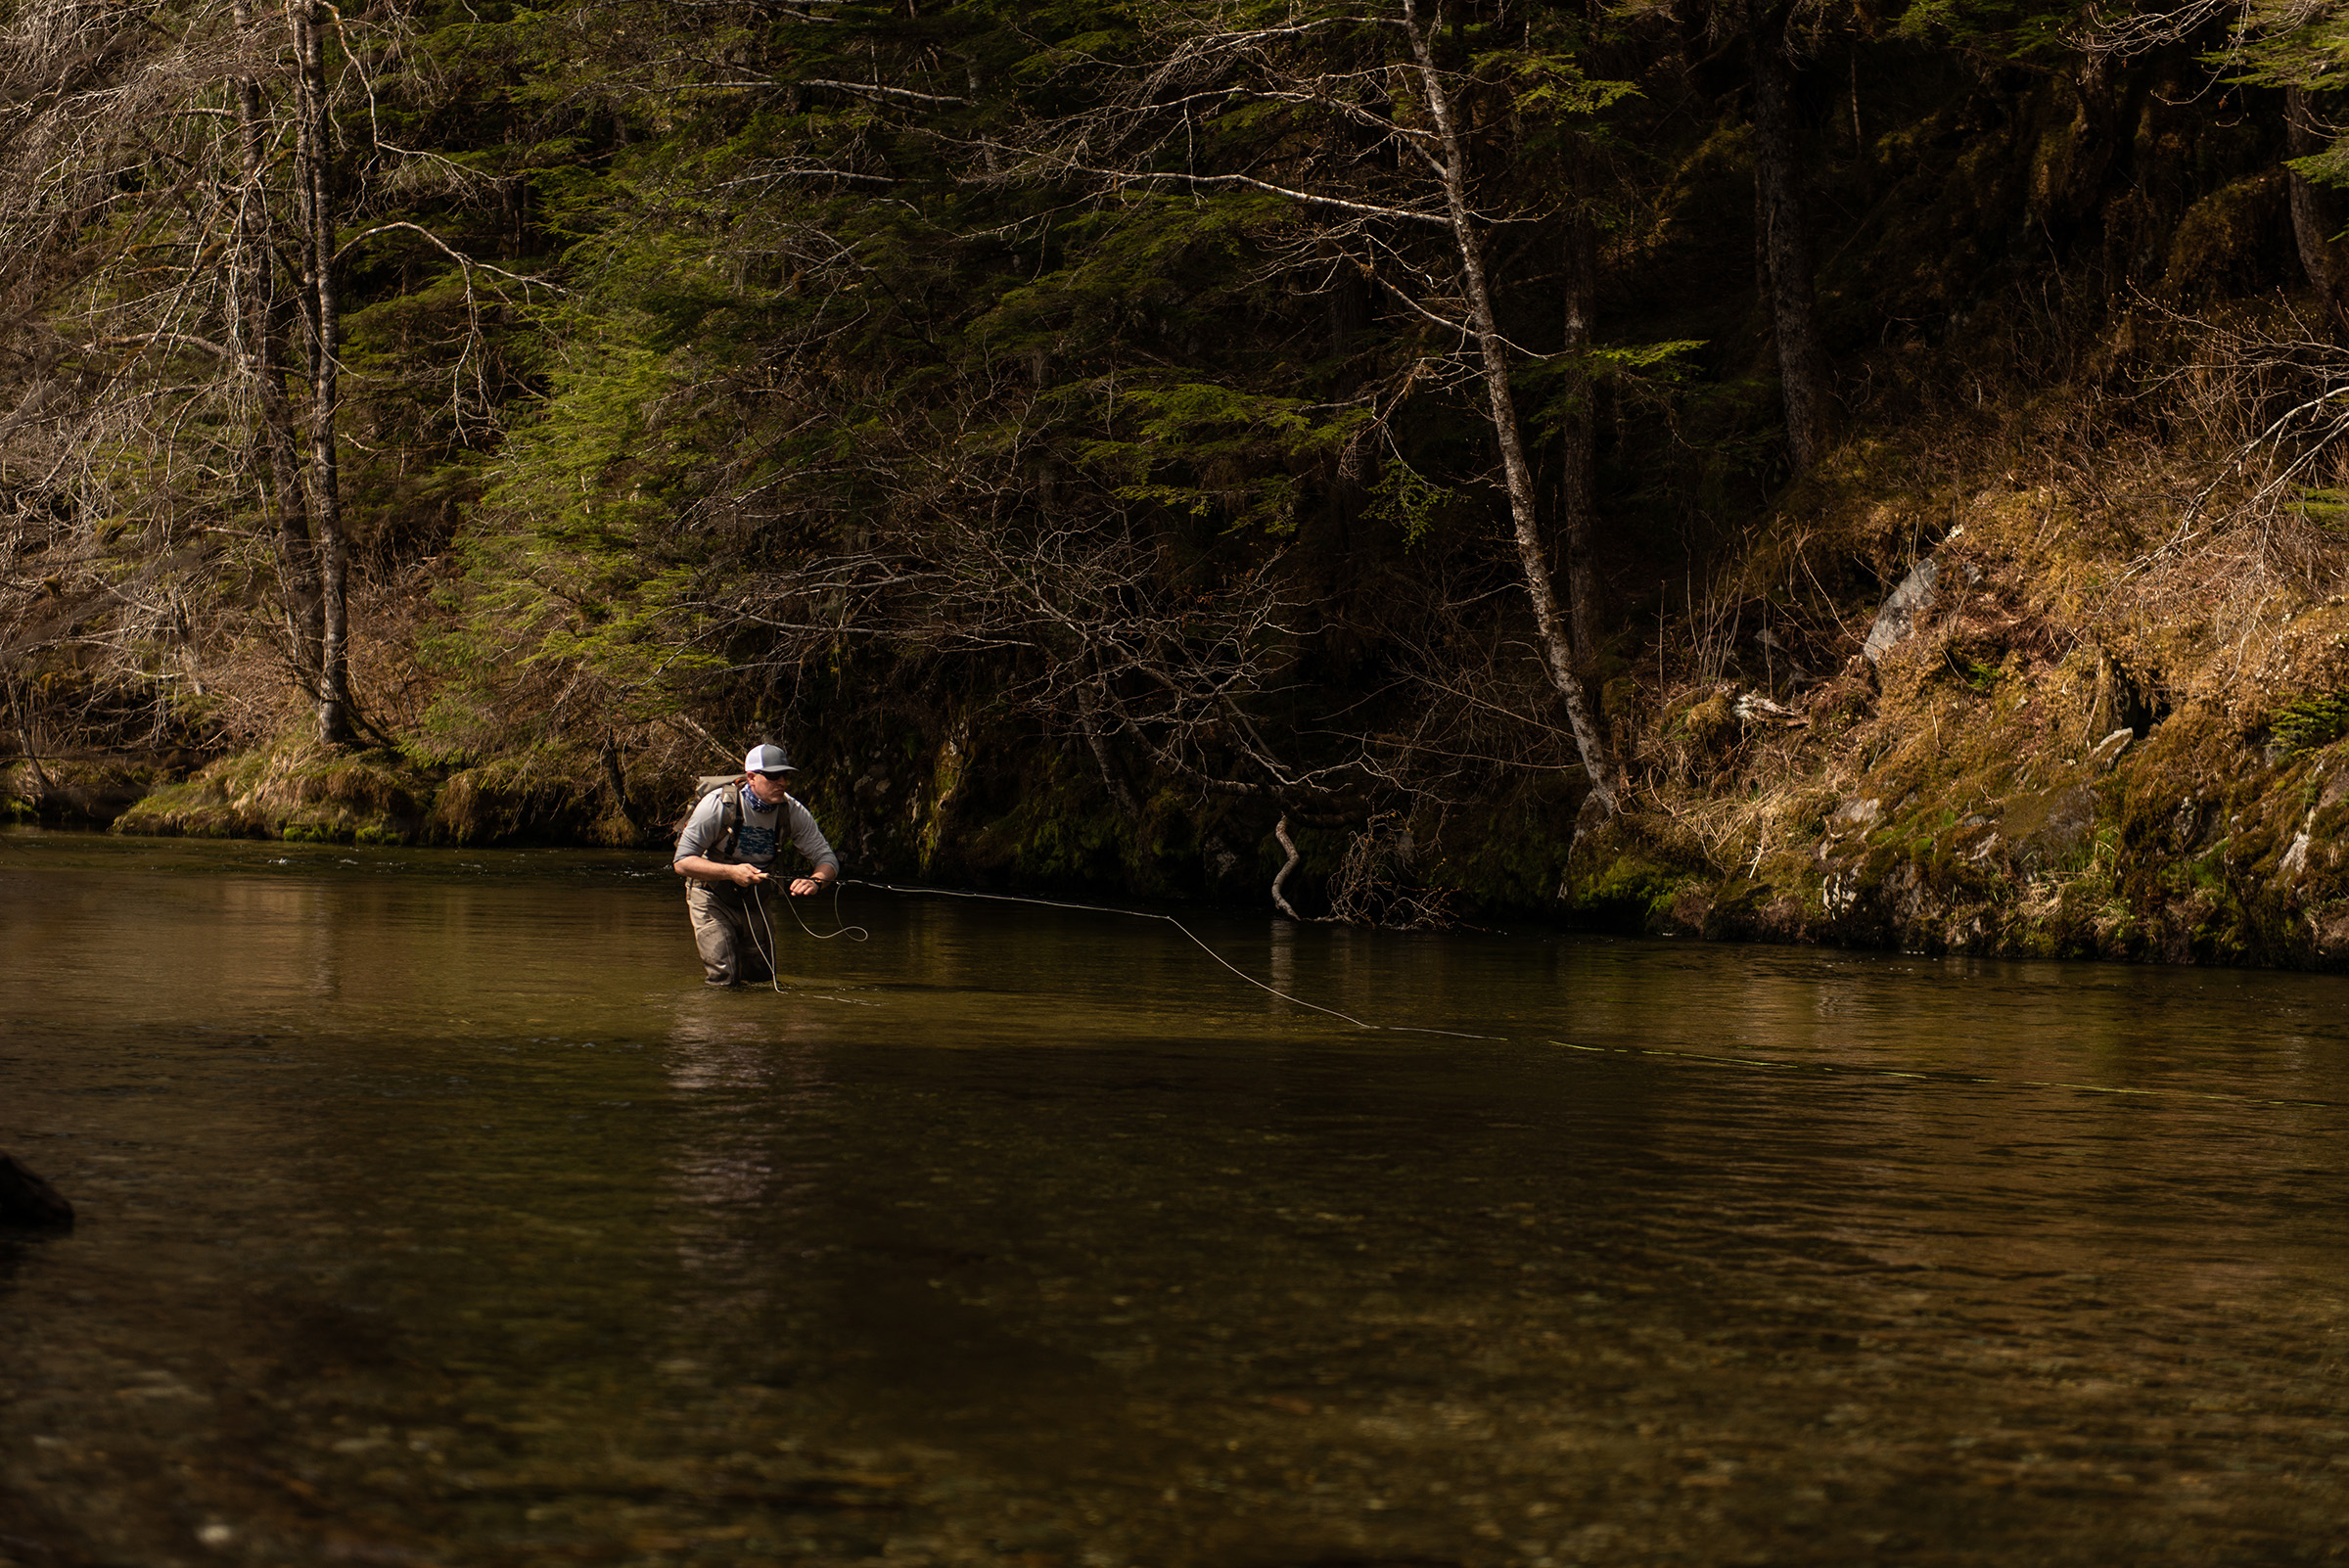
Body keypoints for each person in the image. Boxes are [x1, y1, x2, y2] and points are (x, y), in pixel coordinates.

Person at [673, 743, 841, 986]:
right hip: (711, 896)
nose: (781, 782)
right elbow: (682, 862)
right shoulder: (717, 805)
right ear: (751, 778)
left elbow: (827, 859)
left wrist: (816, 881)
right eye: (773, 776)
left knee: (762, 978)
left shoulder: (792, 811)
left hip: (755, 900)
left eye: (785, 776)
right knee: (725, 975)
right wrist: (732, 872)